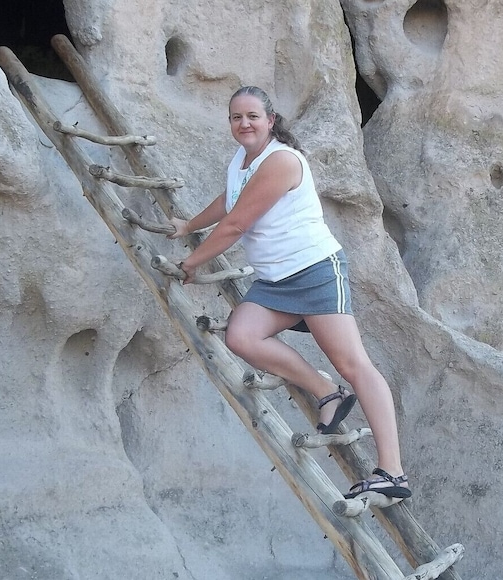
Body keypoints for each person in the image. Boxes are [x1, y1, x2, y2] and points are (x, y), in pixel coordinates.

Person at [167, 86, 410, 500]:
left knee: (353, 364)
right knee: (242, 336)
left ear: (271, 120)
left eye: (252, 116)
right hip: (275, 280)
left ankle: (392, 473)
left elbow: (236, 224)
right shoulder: (242, 159)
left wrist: (192, 262)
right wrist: (189, 226)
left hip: (314, 272)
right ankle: (326, 392)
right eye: (236, 117)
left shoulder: (281, 160)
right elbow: (230, 201)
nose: (244, 123)